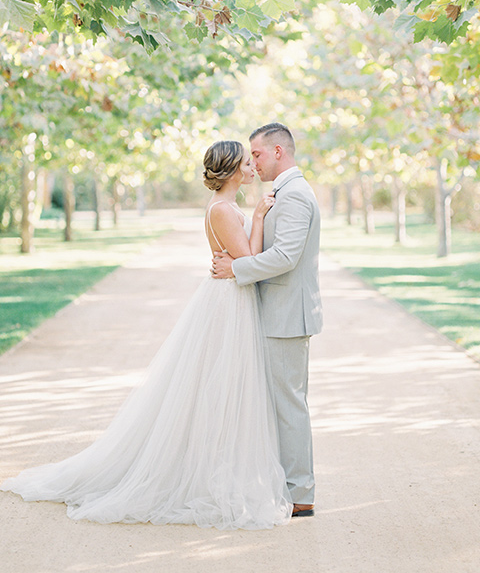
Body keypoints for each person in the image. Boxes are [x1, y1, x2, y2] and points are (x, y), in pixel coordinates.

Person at [0, 141, 292, 530]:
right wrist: (258, 218)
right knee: (220, 387)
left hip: (229, 296)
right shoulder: (223, 210)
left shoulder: (225, 207)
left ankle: (218, 466)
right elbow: (249, 260)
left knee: (224, 387)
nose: (252, 167)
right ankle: (206, 474)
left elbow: (240, 261)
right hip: (228, 302)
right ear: (232, 171)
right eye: (246, 162)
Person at [212, 123, 322, 517]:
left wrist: (237, 269)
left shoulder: (294, 195)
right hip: (276, 313)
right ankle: (286, 488)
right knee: (277, 405)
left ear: (279, 151)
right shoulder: (286, 192)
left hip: (286, 317)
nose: (252, 163)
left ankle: (300, 495)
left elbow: (285, 257)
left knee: (288, 407)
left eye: (256, 155)